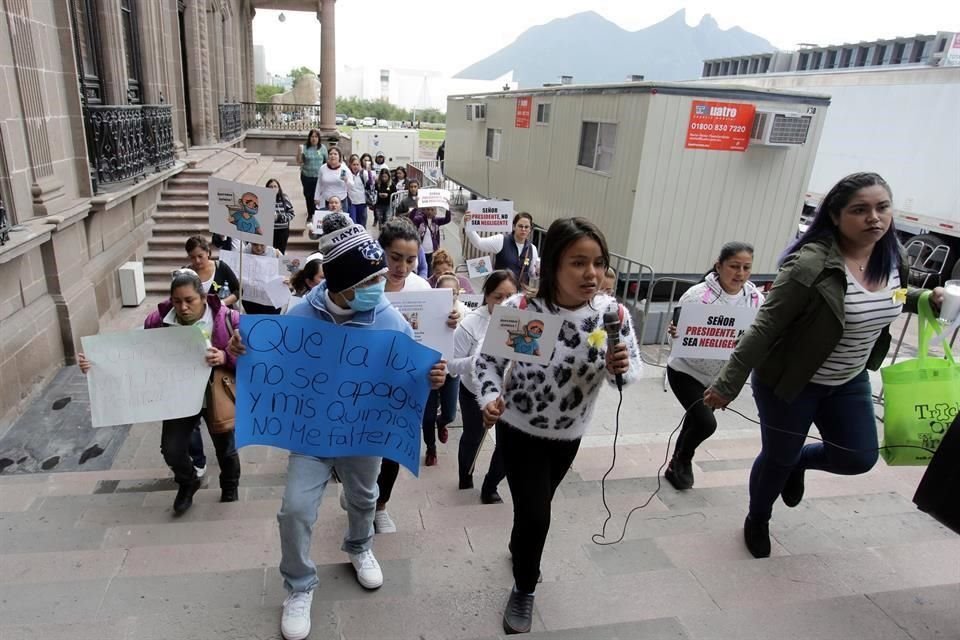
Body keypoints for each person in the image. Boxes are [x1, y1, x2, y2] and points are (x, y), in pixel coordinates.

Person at [703, 172, 946, 559]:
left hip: (848, 379)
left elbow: (893, 294)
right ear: (835, 216)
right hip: (791, 382)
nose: (875, 218)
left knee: (858, 457)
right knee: (777, 457)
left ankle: (797, 464)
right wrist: (726, 385)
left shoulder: (891, 255)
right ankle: (758, 517)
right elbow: (764, 329)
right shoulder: (809, 266)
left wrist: (921, 299)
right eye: (860, 210)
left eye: (882, 208)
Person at [227, 213, 446, 640]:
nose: (379, 288)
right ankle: (299, 584)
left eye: (381, 278)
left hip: (362, 432)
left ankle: (360, 546)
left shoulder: (386, 316)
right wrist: (242, 348)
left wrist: (430, 376)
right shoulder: (299, 313)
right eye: (370, 281)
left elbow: (408, 366)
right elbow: (271, 360)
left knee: (365, 498)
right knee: (293, 509)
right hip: (309, 434)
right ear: (341, 285)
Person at [477, 217, 642, 634]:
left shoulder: (612, 315)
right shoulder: (523, 311)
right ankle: (525, 587)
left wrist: (618, 367)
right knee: (538, 515)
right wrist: (488, 398)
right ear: (552, 266)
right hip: (518, 432)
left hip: (568, 436)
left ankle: (520, 550)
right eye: (578, 262)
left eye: (599, 262)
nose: (592, 273)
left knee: (533, 511)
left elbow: (631, 371)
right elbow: (489, 365)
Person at [77, 270, 242, 515]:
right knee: (172, 449)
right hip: (178, 397)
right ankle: (187, 482)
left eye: (189, 300)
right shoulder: (158, 321)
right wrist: (95, 364)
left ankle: (230, 487)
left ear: (204, 297)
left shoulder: (228, 319)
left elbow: (251, 358)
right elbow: (135, 354)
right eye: (177, 301)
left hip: (215, 393)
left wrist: (225, 357)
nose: (183, 307)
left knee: (225, 446)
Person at [373, 217, 458, 532]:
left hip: (406, 384)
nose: (402, 266)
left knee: (393, 450)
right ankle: (361, 496)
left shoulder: (423, 289)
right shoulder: (366, 286)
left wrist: (448, 323)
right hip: (367, 381)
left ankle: (380, 506)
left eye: (410, 260)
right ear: (382, 252)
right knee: (363, 450)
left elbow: (435, 341)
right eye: (395, 257)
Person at [664, 242, 765, 491]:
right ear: (719, 266)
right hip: (685, 371)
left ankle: (675, 465)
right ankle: (683, 459)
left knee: (695, 421)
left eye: (746, 268)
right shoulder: (697, 296)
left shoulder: (755, 299)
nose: (740, 273)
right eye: (734, 266)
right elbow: (675, 338)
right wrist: (674, 333)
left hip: (720, 377)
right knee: (706, 423)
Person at [450, 269, 518, 503]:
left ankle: (490, 486)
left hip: (509, 395)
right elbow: (450, 365)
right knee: (473, 437)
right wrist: (478, 361)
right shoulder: (470, 324)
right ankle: (465, 478)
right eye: (498, 297)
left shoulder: (524, 321)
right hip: (473, 393)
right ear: (487, 296)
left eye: (510, 296)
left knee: (508, 446)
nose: (504, 303)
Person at [421, 273, 470, 467]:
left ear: (459, 293)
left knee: (449, 413)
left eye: (454, 293)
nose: (450, 297)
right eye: (445, 293)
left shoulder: (465, 312)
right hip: (430, 370)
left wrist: (457, 324)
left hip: (451, 371)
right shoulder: (426, 309)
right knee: (427, 416)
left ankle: (442, 423)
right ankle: (430, 448)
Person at [463, 212, 540, 288]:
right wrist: (468, 224)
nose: (523, 229)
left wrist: (538, 272)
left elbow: (532, 274)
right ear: (513, 227)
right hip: (500, 292)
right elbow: (479, 243)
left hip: (519, 295)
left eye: (526, 227)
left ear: (530, 229)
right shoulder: (501, 240)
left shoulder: (532, 249)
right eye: (520, 226)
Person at [185, 235, 238, 307]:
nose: (197, 261)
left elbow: (238, 291)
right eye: (192, 257)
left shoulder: (221, 267)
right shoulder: (185, 273)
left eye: (200, 256)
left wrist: (223, 303)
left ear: (208, 253)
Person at [240, 242, 284, 316]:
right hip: (252, 298)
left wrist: (287, 279)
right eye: (255, 245)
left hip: (271, 300)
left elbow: (289, 272)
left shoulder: (276, 253)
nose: (259, 248)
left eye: (262, 245)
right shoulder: (243, 253)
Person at [409, 205, 452, 276]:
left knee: (430, 270)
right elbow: (410, 219)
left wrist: (447, 208)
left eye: (432, 210)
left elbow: (447, 219)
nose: (430, 212)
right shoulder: (419, 219)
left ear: (435, 211)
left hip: (432, 251)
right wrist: (415, 208)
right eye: (428, 209)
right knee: (421, 268)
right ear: (424, 210)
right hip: (421, 251)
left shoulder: (437, 221)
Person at [297, 129, 327, 222]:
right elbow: (299, 161)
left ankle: (317, 213)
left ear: (319, 138)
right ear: (309, 138)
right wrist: (299, 152)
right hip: (307, 176)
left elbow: (326, 161)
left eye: (316, 137)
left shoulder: (322, 148)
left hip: (319, 177)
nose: (314, 139)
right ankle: (310, 214)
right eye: (312, 136)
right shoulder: (304, 148)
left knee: (317, 195)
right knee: (308, 195)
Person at [313, 147, 349, 212]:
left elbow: (351, 185)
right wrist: (316, 197)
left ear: (339, 156)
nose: (333, 156)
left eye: (335, 154)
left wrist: (346, 180)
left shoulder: (344, 169)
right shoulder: (323, 168)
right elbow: (319, 183)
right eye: (330, 154)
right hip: (326, 201)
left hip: (341, 201)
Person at [267, 178, 295, 254]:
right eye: (270, 187)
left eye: (275, 186)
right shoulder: (264, 199)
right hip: (269, 231)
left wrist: (279, 217)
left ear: (279, 188)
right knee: (269, 253)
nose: (273, 188)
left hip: (282, 231)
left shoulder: (284, 199)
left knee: (280, 252)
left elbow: (291, 214)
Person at [344, 154, 369, 228]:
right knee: (353, 222)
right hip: (351, 202)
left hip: (362, 202)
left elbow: (370, 183)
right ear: (350, 165)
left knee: (362, 222)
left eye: (357, 164)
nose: (355, 166)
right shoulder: (346, 173)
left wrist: (369, 171)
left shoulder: (363, 173)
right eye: (354, 164)